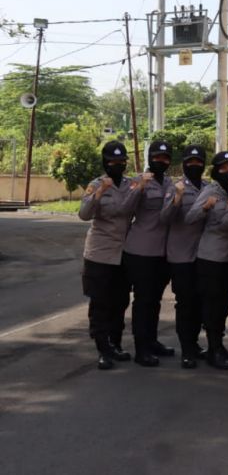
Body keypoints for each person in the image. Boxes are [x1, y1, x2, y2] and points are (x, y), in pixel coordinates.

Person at [187, 150, 228, 370]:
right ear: (215, 171)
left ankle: (219, 346)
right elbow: (190, 217)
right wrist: (205, 207)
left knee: (223, 305)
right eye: (223, 167)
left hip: (227, 258)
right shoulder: (210, 191)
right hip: (210, 257)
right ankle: (214, 349)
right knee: (212, 305)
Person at [79, 141, 137, 370]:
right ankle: (103, 348)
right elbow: (84, 214)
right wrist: (99, 193)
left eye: (121, 162)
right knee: (100, 302)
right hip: (100, 253)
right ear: (105, 163)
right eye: (112, 162)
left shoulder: (132, 185)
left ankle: (116, 343)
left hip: (123, 253)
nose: (117, 165)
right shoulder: (96, 185)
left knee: (120, 301)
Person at [121, 140, 175, 366]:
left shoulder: (171, 183)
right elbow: (125, 208)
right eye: (156, 157)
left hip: (163, 253)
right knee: (143, 301)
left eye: (164, 157)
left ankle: (152, 341)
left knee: (154, 300)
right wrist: (139, 187)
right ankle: (141, 348)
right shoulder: (138, 181)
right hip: (141, 251)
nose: (160, 161)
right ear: (149, 158)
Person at [162, 145, 208, 368]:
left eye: (199, 162)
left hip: (203, 256)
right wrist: (177, 199)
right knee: (186, 304)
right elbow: (165, 218)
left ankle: (196, 344)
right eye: (190, 162)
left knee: (200, 303)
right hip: (181, 257)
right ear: (183, 164)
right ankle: (187, 349)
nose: (194, 165)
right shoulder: (175, 187)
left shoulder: (209, 187)